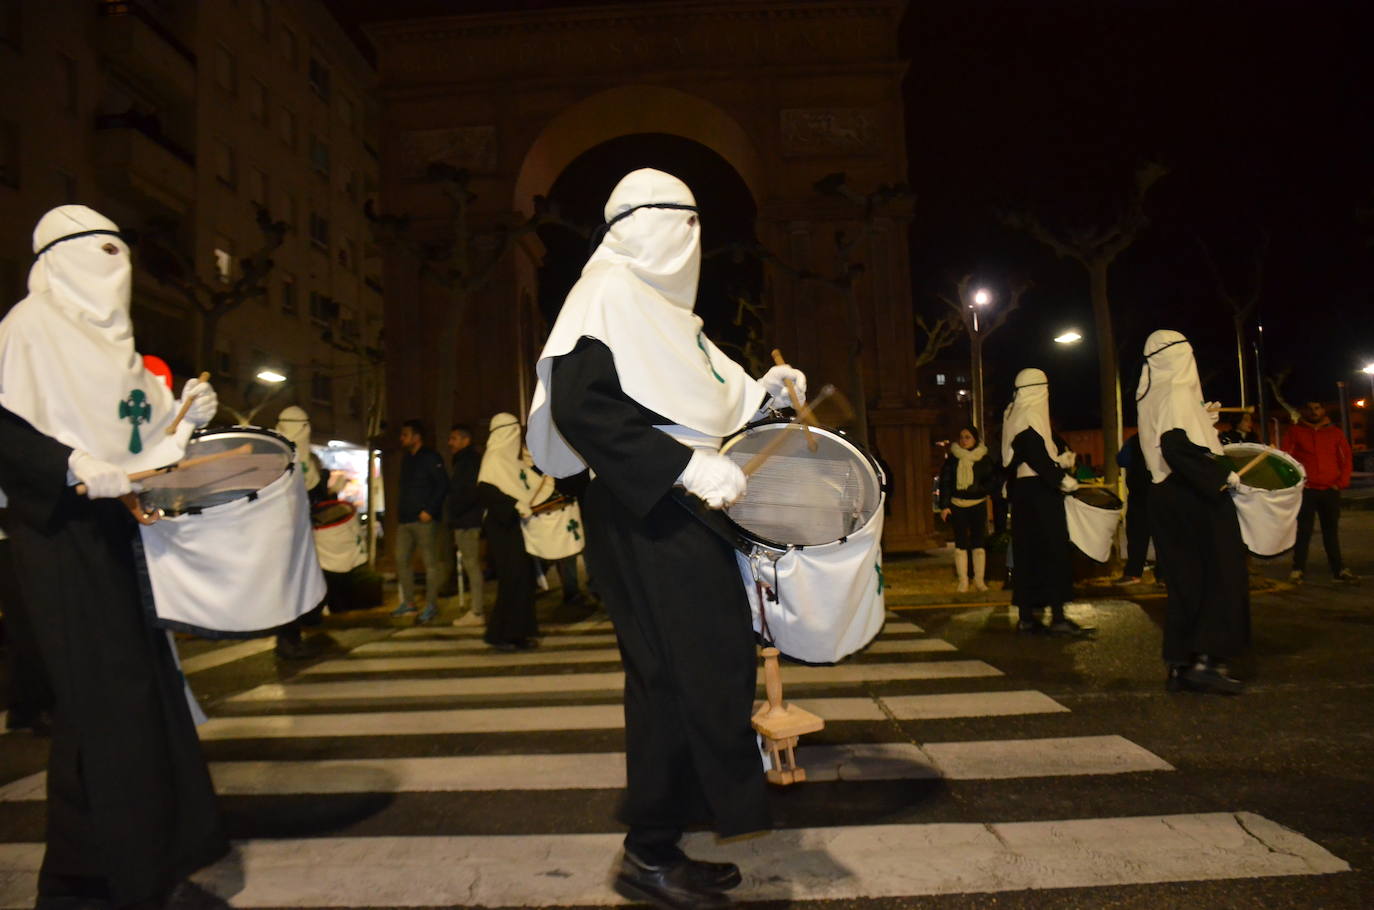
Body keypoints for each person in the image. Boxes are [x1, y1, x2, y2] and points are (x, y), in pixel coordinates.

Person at [528, 168, 807, 909]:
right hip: (646, 506)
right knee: (683, 675)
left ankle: (661, 840)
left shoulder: (664, 314)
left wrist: (764, 394)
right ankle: (652, 848)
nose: (692, 239)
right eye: (679, 222)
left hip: (681, 508)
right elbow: (583, 409)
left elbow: (708, 390)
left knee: (690, 674)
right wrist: (683, 468)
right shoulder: (607, 294)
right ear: (639, 224)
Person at [0, 205, 227, 906]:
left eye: (118, 252)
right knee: (110, 699)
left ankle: (87, 873)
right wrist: (69, 465)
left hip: (121, 529)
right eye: (96, 253)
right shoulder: (27, 330)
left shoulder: (122, 351)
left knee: (115, 701)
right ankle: (123, 872)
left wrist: (183, 419)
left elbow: (141, 440)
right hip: (58, 533)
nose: (112, 268)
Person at [1136, 330, 1249, 694]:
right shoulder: (1177, 393)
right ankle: (1208, 661)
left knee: (1184, 581)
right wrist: (1219, 476)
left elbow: (1164, 437)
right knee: (1218, 574)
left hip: (1164, 496)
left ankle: (1179, 662)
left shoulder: (1152, 394)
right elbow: (1176, 445)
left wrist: (1202, 421)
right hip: (1193, 496)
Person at [1002, 368, 1093, 637]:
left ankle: (1027, 616)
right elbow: (1033, 450)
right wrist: (1059, 478)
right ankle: (1057, 617)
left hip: (1023, 492)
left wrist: (1058, 462)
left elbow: (1020, 455)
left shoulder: (1012, 414)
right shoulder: (1030, 415)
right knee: (1053, 552)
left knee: (1027, 554)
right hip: (1039, 492)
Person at [476, 414, 539, 650]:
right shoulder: (493, 460)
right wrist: (514, 505)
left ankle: (519, 632)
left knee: (523, 578)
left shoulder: (515, 460)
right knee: (512, 579)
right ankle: (501, 634)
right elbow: (486, 491)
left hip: (514, 526)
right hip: (502, 527)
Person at [272, 405, 329, 658]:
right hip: (285, 535)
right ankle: (287, 638)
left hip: (296, 534)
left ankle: (293, 634)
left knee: (297, 583)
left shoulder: (277, 456)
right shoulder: (278, 457)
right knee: (289, 585)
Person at [1283, 399, 1358, 584]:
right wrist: (1298, 483)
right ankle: (1297, 569)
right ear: (1303, 412)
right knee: (1304, 531)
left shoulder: (1335, 433)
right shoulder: (1295, 432)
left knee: (1330, 532)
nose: (1313, 411)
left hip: (1330, 490)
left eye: (1317, 408)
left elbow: (1346, 459)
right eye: (1309, 409)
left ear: (1323, 410)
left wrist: (1340, 483)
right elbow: (1286, 459)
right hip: (1307, 491)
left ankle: (1338, 569)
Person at [0, 508, 54, 734]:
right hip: (11, 535)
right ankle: (38, 707)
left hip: (14, 531)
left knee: (23, 624)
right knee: (28, 623)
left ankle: (25, 707)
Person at [393, 418, 448, 623]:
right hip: (405, 520)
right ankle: (409, 603)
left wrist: (430, 510)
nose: (402, 439)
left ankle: (431, 605)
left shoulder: (431, 457)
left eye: (405, 435)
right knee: (401, 560)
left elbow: (442, 485)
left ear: (417, 437)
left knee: (430, 564)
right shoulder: (407, 458)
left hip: (424, 520)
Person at [937, 425, 998, 592]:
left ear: (975, 439)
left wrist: (980, 489)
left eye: (968, 437)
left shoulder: (983, 458)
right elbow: (946, 483)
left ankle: (979, 580)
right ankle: (963, 580)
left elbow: (992, 480)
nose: (964, 441)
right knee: (961, 543)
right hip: (958, 504)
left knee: (979, 542)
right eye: (962, 437)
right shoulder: (953, 459)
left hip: (977, 503)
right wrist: (944, 506)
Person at [446, 423, 486, 625]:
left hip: (467, 520)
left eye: (454, 439)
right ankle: (476, 609)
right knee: (471, 565)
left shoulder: (468, 461)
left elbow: (469, 492)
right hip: (466, 518)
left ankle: (477, 611)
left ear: (465, 440)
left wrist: (455, 512)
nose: (449, 443)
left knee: (472, 565)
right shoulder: (465, 460)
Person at [1115, 432, 1154, 585]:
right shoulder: (1164, 435)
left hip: (1138, 494)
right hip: (1159, 491)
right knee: (1163, 536)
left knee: (1137, 535)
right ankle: (1164, 575)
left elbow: (1122, 460)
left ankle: (1133, 573)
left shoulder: (1134, 440)